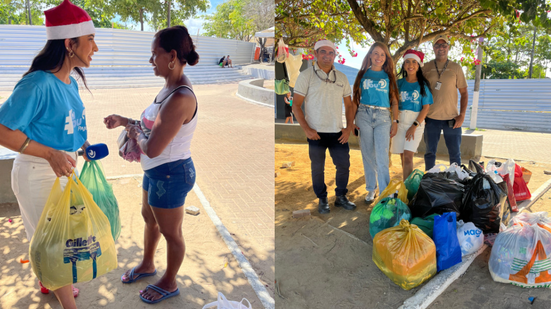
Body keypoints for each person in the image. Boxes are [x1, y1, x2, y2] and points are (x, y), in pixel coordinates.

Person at [0, 0, 97, 307]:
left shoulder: (70, 82)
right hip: (38, 174)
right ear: (70, 44)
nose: (95, 47)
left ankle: (49, 283)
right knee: (57, 244)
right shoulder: (37, 83)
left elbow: (64, 125)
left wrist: (82, 146)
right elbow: (3, 130)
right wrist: (51, 154)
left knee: (58, 238)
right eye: (90, 39)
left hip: (63, 170)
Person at [104, 25, 199, 304]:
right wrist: (125, 121)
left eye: (153, 54)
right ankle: (148, 264)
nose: (150, 61)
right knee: (149, 218)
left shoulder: (180, 97)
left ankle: (169, 282)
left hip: (170, 173)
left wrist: (133, 133)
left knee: (172, 232)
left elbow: (153, 147)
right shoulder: (169, 87)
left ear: (171, 55)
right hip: (157, 172)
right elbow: (151, 128)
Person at [292, 39, 356, 214]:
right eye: (323, 52)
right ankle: (322, 199)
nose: (327, 56)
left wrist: (348, 127)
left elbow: (349, 106)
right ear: (315, 54)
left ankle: (341, 197)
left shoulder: (341, 78)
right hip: (316, 133)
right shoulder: (306, 76)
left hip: (338, 132)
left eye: (331, 53)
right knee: (317, 168)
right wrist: (307, 129)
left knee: (343, 166)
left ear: (335, 55)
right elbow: (296, 105)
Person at [352, 42, 399, 204]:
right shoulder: (362, 75)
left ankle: (384, 191)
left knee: (382, 155)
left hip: (383, 117)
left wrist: (395, 121)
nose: (379, 57)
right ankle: (371, 189)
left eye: (382, 54)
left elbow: (394, 102)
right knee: (367, 154)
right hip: (363, 114)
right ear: (370, 55)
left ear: (386, 59)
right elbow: (355, 100)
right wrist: (351, 121)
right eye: (376, 53)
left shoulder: (389, 77)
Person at [422, 34, 468, 171]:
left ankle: (457, 182)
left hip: (452, 120)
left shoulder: (456, 68)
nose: (440, 48)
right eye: (437, 45)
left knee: (455, 155)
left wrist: (462, 115)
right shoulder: (426, 67)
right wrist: (421, 115)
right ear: (433, 48)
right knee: (430, 153)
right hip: (430, 119)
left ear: (448, 48)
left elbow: (464, 93)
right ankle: (430, 180)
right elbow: (420, 92)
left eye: (444, 45)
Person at [391, 50, 433, 180]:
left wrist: (414, 125)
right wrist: (395, 122)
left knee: (409, 157)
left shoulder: (423, 85)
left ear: (418, 65)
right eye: (408, 61)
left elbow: (426, 107)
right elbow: (394, 104)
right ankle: (407, 185)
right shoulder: (399, 83)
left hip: (415, 122)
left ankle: (408, 192)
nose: (411, 64)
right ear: (403, 65)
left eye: (414, 62)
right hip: (400, 122)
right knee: (403, 157)